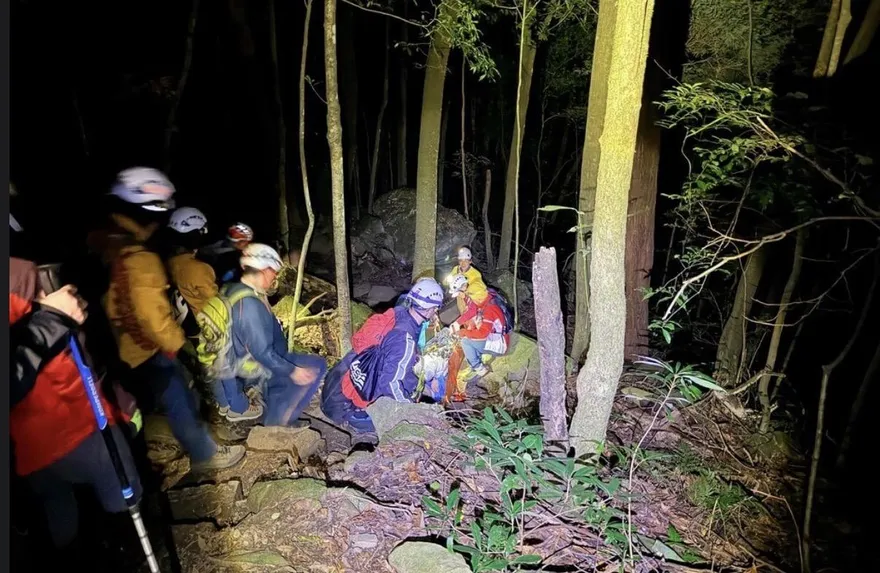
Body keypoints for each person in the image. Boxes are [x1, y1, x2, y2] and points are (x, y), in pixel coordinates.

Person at [97, 167, 245, 471]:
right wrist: (178, 345)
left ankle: (152, 455)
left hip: (117, 347)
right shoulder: (142, 259)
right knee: (181, 397)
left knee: (142, 407)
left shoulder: (111, 247)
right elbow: (156, 316)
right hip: (146, 348)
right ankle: (204, 453)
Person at [9, 257, 142, 555]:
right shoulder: (23, 280)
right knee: (121, 501)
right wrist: (51, 317)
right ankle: (129, 551)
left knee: (59, 516)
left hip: (32, 448)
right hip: (81, 431)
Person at [217, 243, 327, 426]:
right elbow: (262, 353)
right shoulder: (250, 305)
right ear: (266, 270)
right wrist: (293, 371)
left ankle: (267, 399)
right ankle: (278, 424)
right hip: (254, 367)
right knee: (316, 366)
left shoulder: (237, 290)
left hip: (241, 364)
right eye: (274, 273)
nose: (274, 278)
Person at [320, 277, 445, 434]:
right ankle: (361, 420)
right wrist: (411, 408)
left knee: (409, 376)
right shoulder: (404, 339)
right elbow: (390, 384)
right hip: (346, 408)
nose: (436, 312)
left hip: (334, 388)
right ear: (430, 309)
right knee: (403, 416)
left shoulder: (396, 314)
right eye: (436, 308)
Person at [445, 274, 510, 400]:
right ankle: (477, 358)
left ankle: (480, 369)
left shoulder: (489, 309)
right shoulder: (481, 300)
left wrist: (462, 333)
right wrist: (458, 323)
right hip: (493, 335)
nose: (460, 296)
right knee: (470, 326)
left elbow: (482, 334)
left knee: (466, 342)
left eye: (459, 292)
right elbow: (471, 312)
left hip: (500, 342)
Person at [165, 207, 218, 340]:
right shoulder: (198, 269)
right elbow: (216, 302)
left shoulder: (169, 263)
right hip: (207, 332)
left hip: (182, 329)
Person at [444, 246, 488, 314]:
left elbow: (480, 287)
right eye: (461, 260)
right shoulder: (456, 269)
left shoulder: (475, 274)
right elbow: (446, 282)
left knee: (468, 316)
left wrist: (467, 290)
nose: (463, 263)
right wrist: (448, 281)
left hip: (471, 301)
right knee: (462, 313)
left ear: (470, 261)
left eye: (466, 260)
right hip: (459, 299)